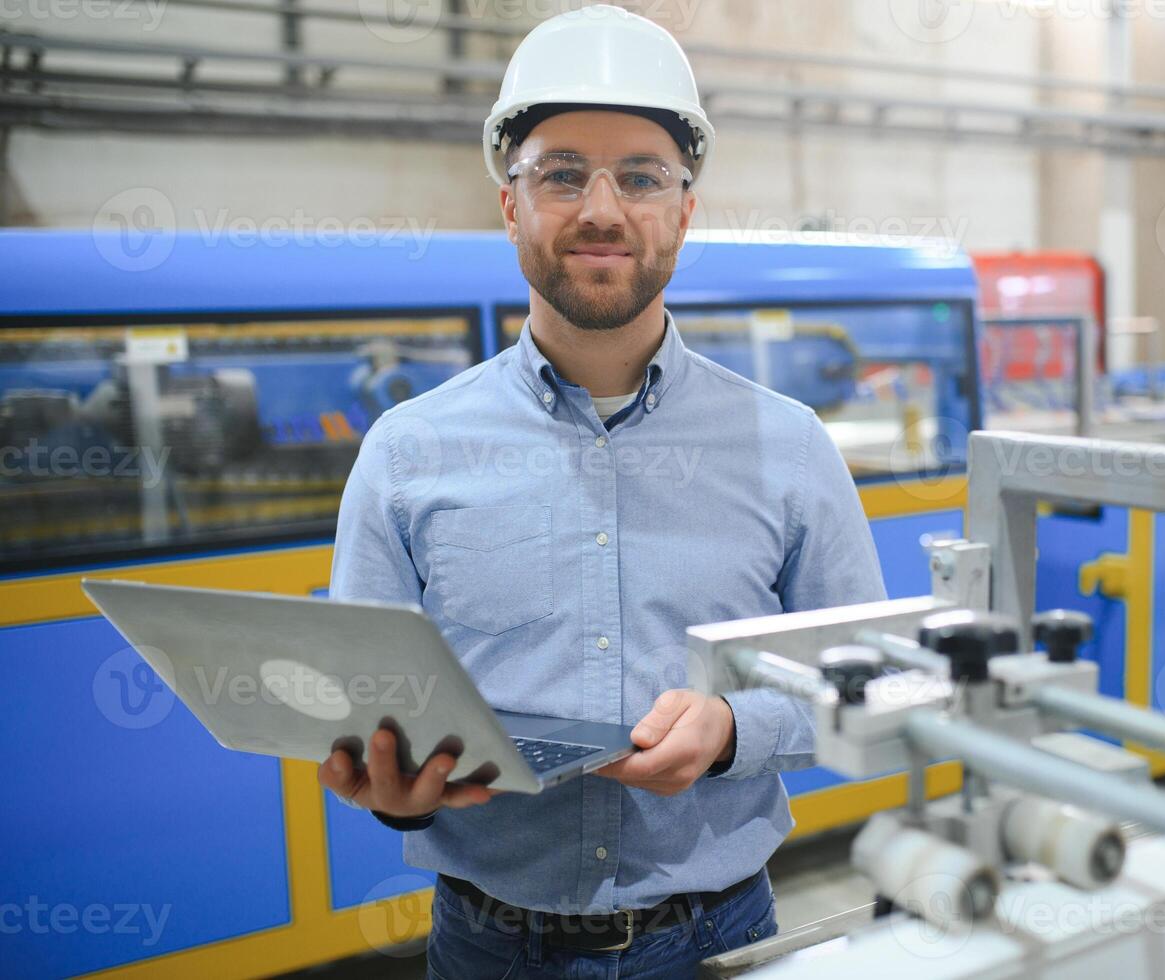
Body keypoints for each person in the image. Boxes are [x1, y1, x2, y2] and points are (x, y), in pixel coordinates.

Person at [317, 6, 886, 978]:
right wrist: (391, 787)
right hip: (486, 945)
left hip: (717, 936)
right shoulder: (407, 451)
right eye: (563, 173)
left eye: (641, 175)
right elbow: (363, 708)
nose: (602, 210)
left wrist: (732, 730)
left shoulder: (788, 446)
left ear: (684, 208)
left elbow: (866, 674)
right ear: (511, 203)